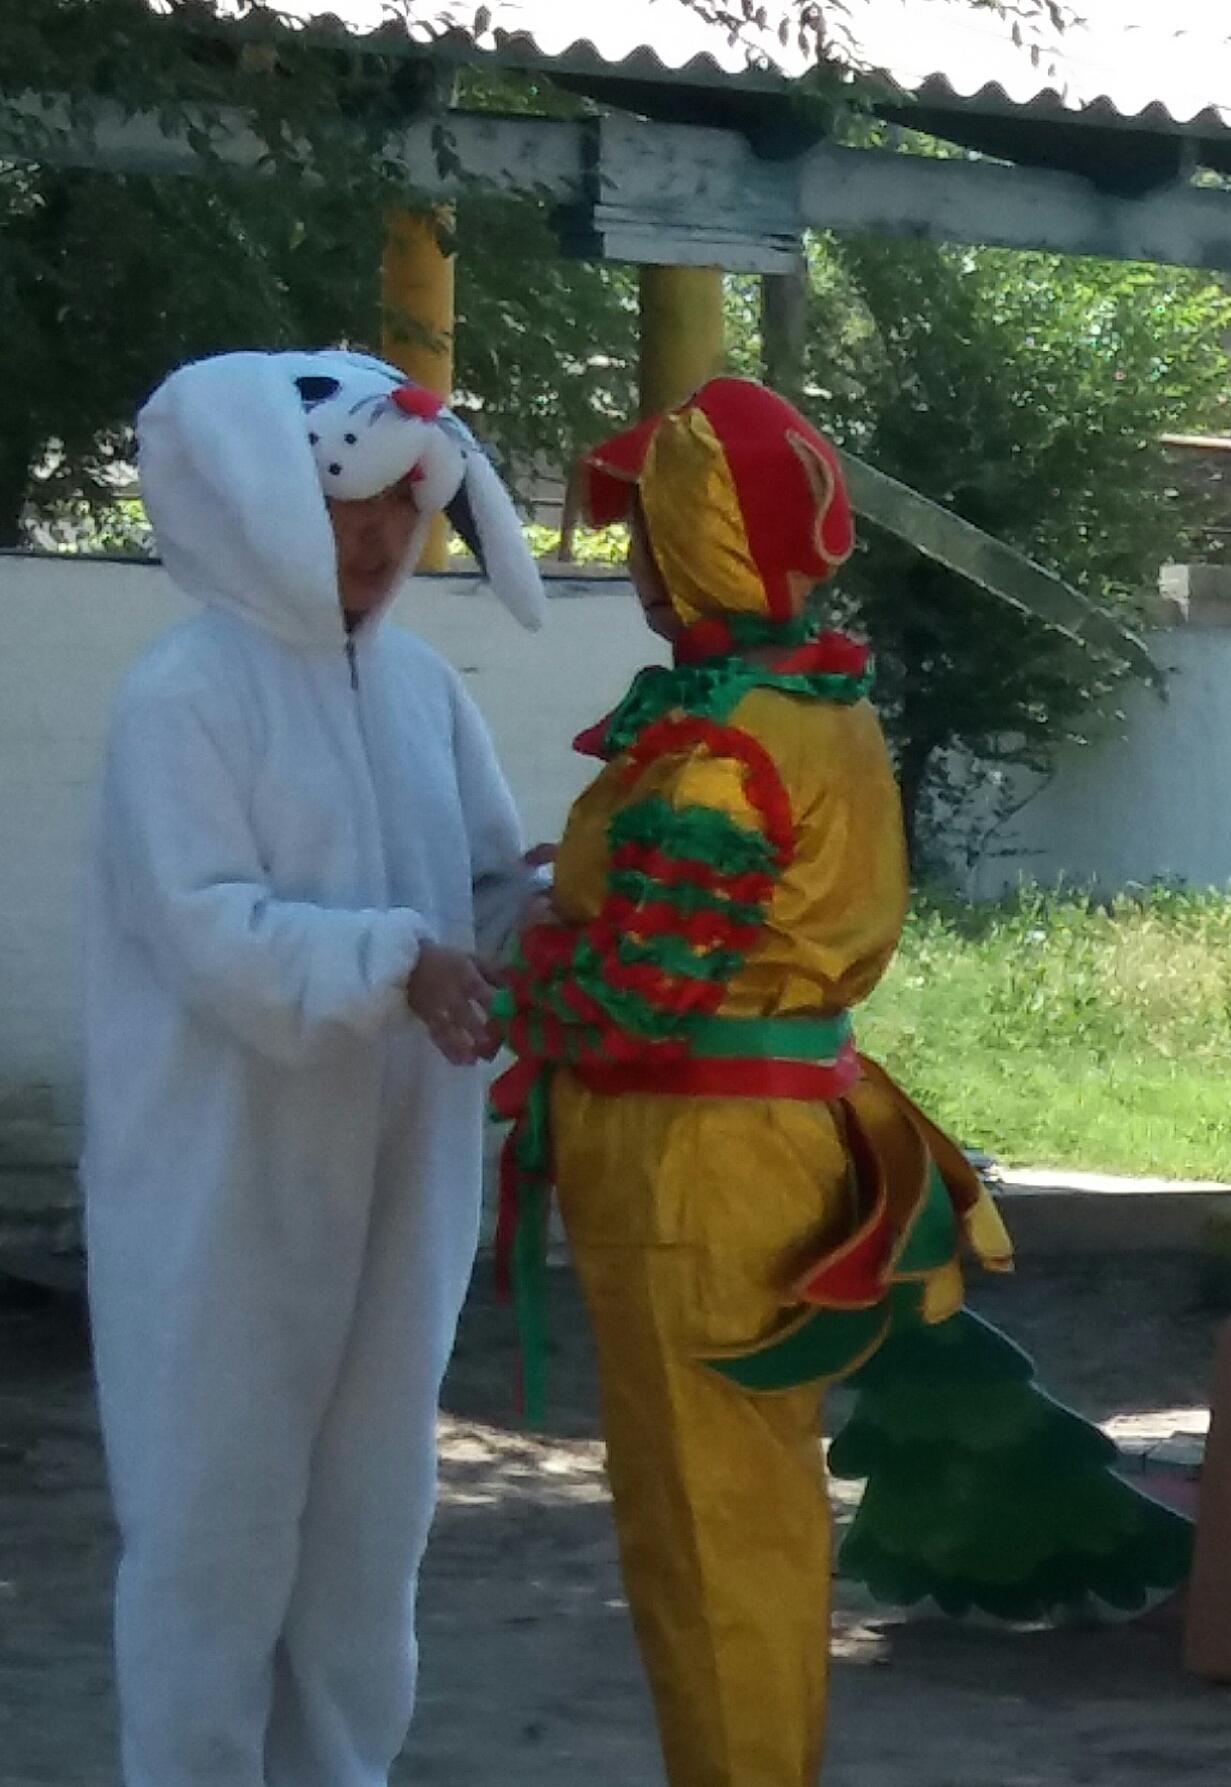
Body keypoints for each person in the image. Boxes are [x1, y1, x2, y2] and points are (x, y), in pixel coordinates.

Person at [495, 377, 1011, 1787]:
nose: (634, 560)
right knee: (745, 1505)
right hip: (769, 1138)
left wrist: (504, 971)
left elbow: (638, 992)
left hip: (694, 1162)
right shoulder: (818, 710)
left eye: (648, 529)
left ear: (690, 547)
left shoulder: (715, 747)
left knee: (705, 1519)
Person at [82, 349, 547, 1787]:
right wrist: (397, 963)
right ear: (257, 502)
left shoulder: (422, 689)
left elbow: (481, 887)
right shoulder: (184, 694)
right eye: (350, 507)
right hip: (220, 1189)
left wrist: (554, 907)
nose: (381, 539)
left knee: (367, 1533)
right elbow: (208, 931)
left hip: (405, 1184)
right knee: (211, 1531)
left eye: (407, 511)